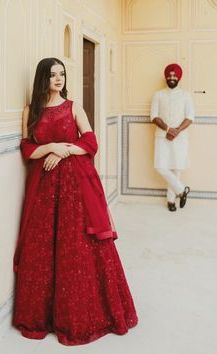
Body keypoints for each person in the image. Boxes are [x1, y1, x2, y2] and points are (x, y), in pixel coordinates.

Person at [12, 57, 138, 345]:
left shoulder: (74, 107)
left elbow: (91, 141)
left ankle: (78, 317)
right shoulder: (31, 111)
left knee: (76, 248)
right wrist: (49, 147)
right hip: (43, 191)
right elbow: (27, 149)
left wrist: (63, 151)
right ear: (42, 78)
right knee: (42, 249)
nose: (59, 80)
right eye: (53, 75)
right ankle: (41, 317)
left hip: (74, 188)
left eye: (62, 75)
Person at [150, 63, 195, 212]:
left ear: (179, 77)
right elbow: (154, 116)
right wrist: (168, 129)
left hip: (180, 137)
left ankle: (171, 200)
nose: (172, 78)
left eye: (174, 75)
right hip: (162, 136)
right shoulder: (158, 94)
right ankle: (182, 190)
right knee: (160, 166)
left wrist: (176, 131)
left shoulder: (186, 95)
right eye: (169, 75)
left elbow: (190, 117)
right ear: (166, 77)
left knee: (177, 168)